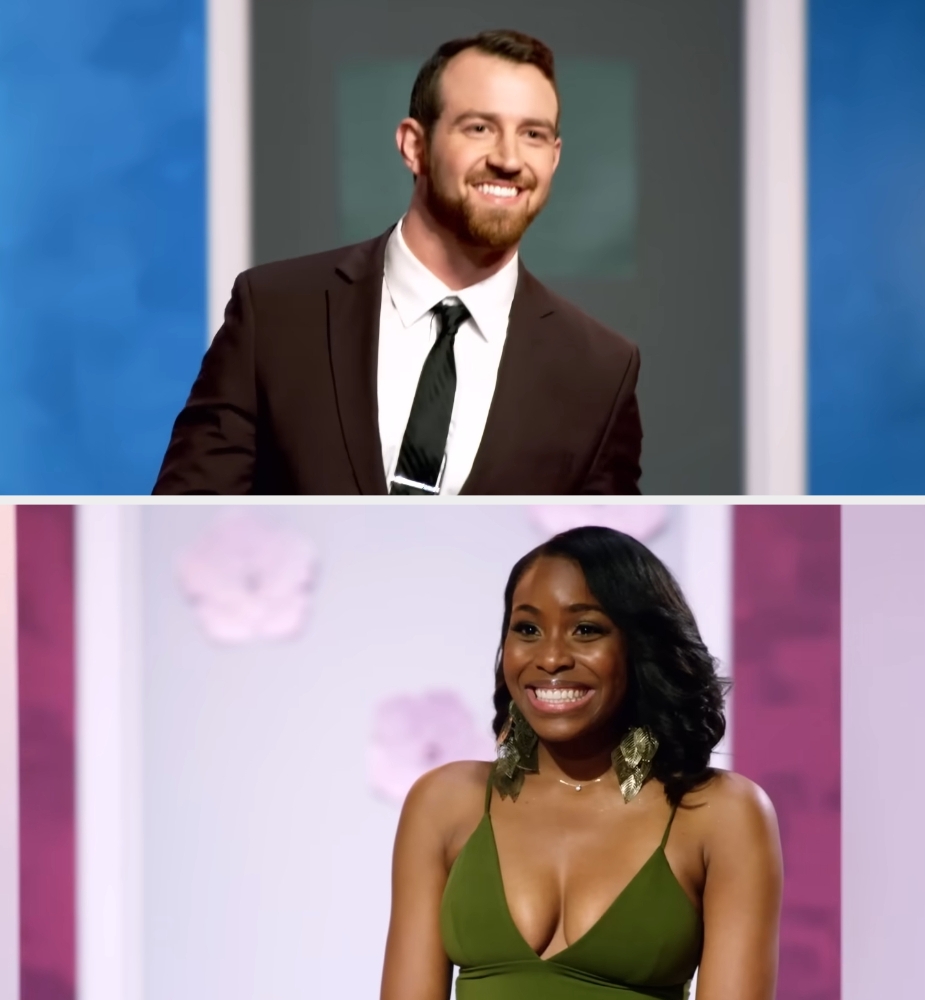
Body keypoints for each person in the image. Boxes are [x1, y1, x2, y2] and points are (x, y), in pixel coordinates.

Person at [153, 30, 642, 495]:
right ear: (414, 145)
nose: (509, 159)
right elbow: (189, 510)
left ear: (554, 158)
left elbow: (598, 559)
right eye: (479, 127)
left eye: (533, 134)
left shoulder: (599, 370)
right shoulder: (276, 311)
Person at [380, 526, 782, 1000]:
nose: (550, 657)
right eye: (527, 629)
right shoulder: (444, 803)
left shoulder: (723, 814)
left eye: (586, 629)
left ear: (640, 646)